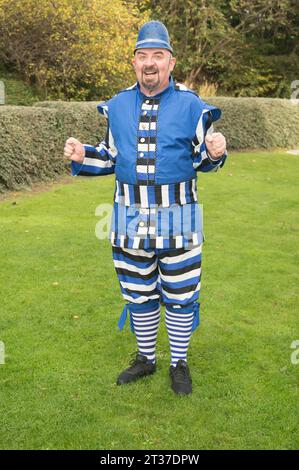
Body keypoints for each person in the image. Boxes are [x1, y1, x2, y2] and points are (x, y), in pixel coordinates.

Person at [64, 21, 227, 395]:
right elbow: (110, 157)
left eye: (158, 56)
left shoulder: (192, 105)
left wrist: (215, 152)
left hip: (180, 221)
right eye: (143, 56)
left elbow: (204, 157)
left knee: (181, 295)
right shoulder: (118, 104)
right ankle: (146, 358)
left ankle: (179, 362)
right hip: (129, 220)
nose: (149, 63)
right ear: (134, 62)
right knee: (138, 293)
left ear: (171, 62)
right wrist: (82, 154)